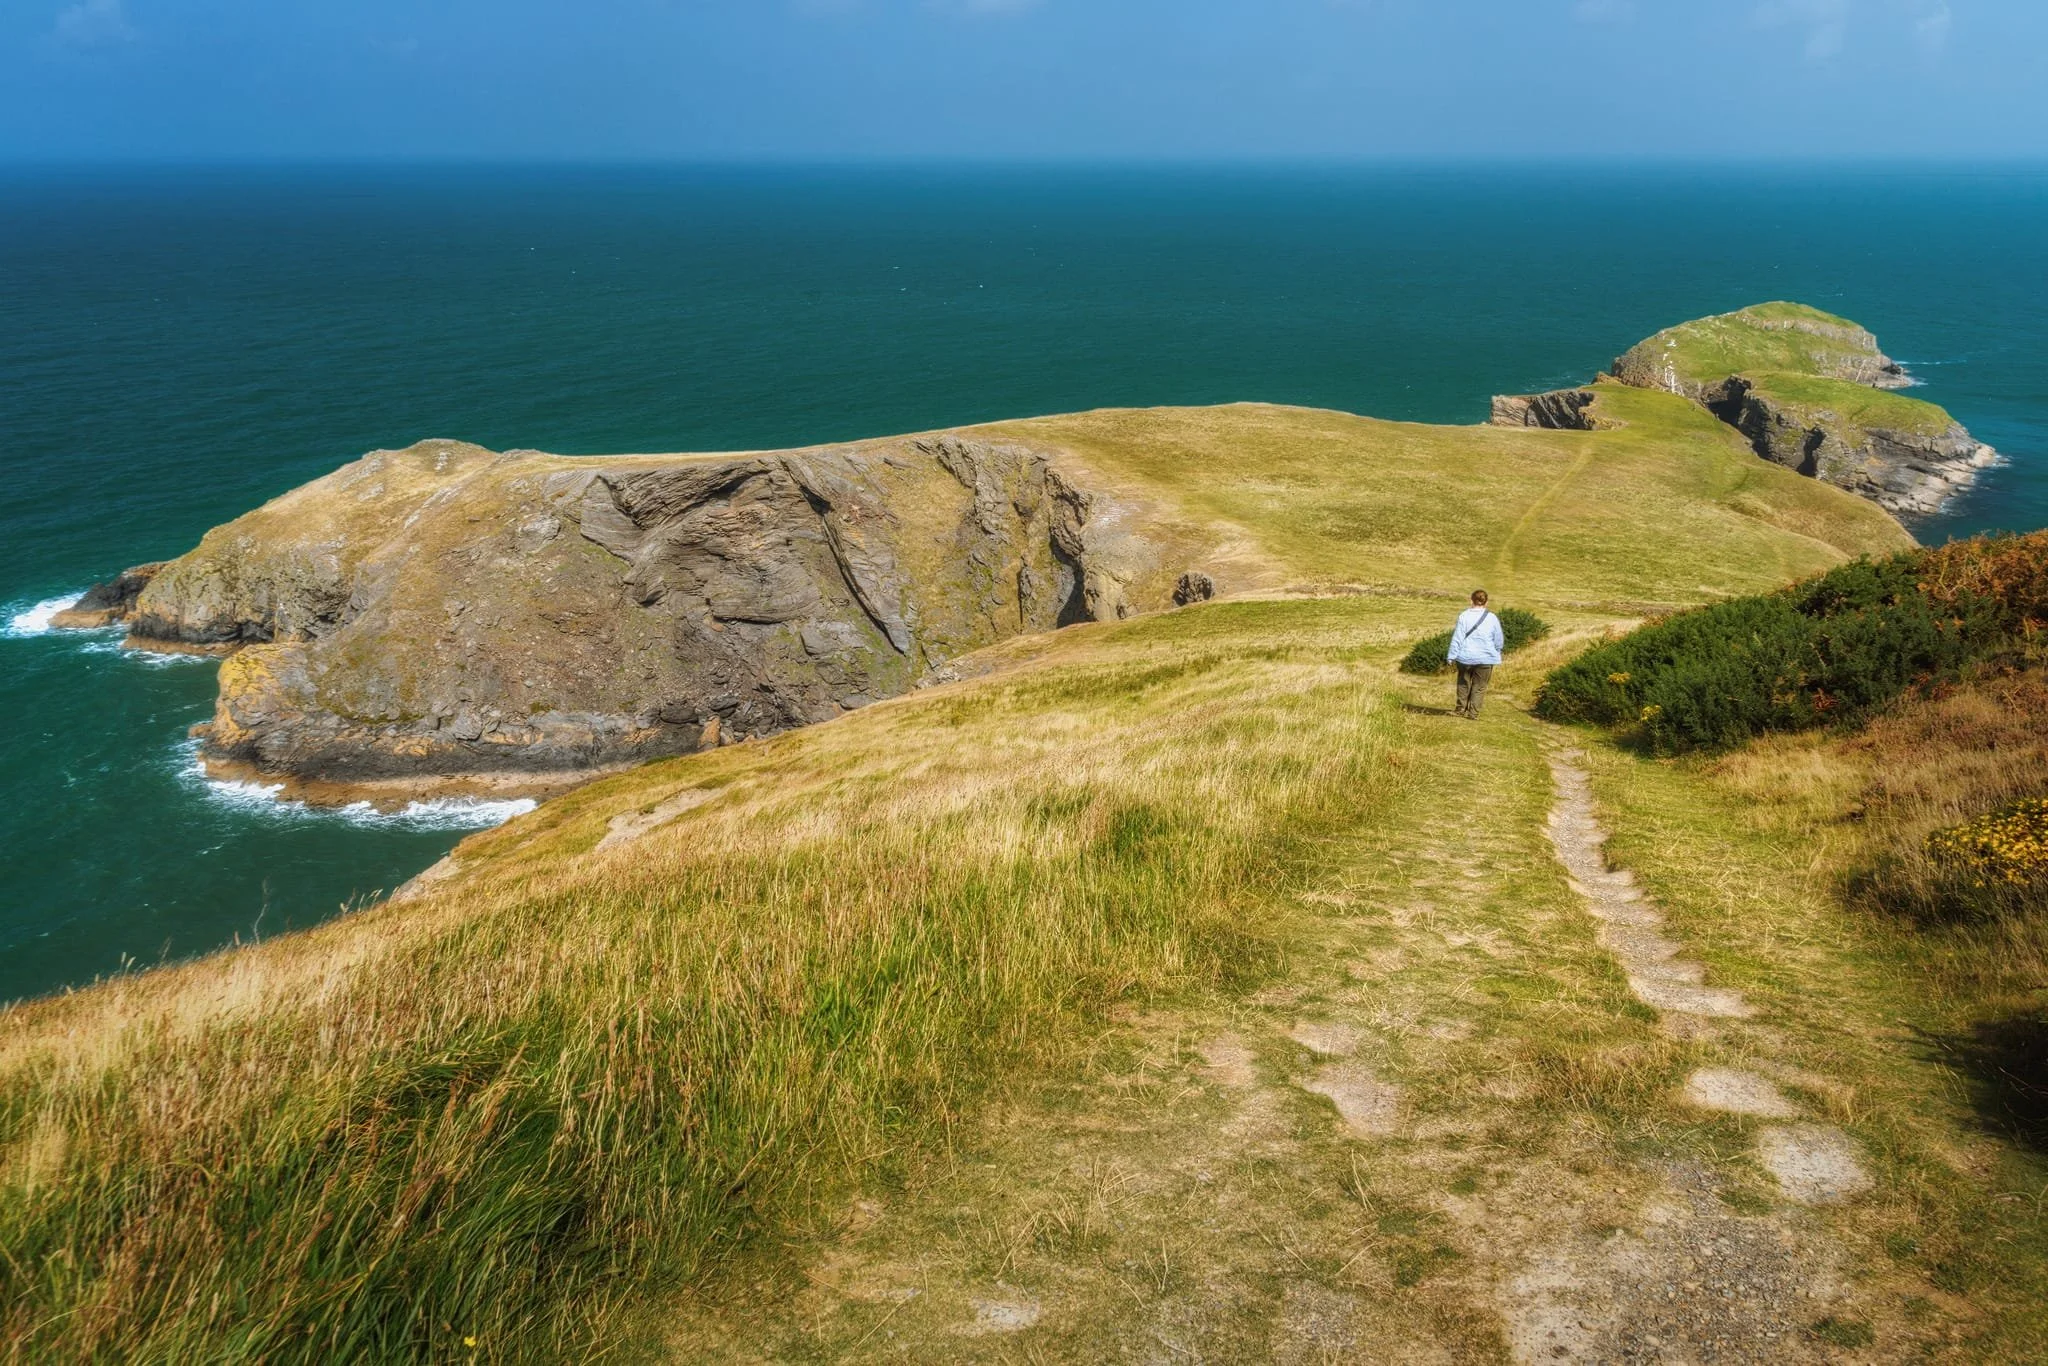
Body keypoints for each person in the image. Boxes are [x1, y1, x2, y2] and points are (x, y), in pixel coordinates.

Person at [1446, 589, 1504, 719]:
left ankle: (1460, 709)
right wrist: (1497, 650)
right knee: (1480, 686)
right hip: (1486, 658)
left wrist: (1451, 656)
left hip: (1465, 657)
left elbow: (1457, 638)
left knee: (1463, 683)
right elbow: (1498, 638)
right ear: (1486, 602)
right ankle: (1473, 713)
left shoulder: (1464, 616)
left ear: (1471, 600)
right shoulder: (1492, 618)